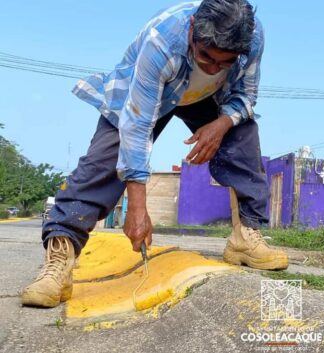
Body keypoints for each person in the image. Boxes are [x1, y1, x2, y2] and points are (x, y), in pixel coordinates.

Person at [22, 0, 288, 308]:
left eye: (224, 63)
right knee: (104, 162)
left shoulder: (252, 37)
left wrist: (221, 123)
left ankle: (246, 237)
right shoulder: (162, 41)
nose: (213, 68)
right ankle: (59, 262)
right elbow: (136, 126)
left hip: (208, 99)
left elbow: (246, 94)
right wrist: (137, 208)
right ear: (192, 31)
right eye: (205, 56)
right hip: (143, 95)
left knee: (242, 135)